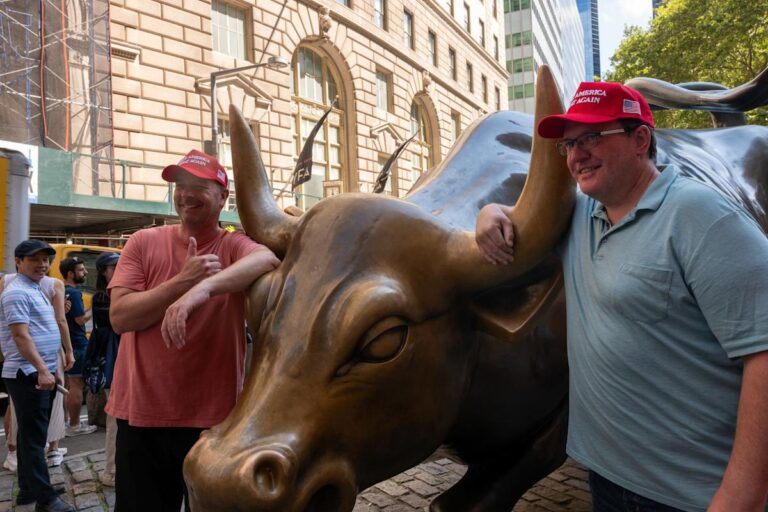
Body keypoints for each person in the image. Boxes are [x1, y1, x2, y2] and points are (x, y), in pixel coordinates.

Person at [475, 81, 768, 511]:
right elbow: (516, 218)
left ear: (640, 139)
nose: (576, 155)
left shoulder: (702, 216)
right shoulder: (578, 215)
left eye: (592, 137)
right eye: (569, 144)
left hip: (691, 495)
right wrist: (490, 213)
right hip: (608, 478)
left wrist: (740, 498)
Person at [106, 149, 279, 512]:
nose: (186, 194)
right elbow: (120, 318)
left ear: (222, 196)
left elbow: (266, 258)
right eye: (180, 185)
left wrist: (202, 290)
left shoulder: (231, 243)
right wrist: (183, 282)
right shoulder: (142, 241)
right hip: (141, 415)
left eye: (198, 186)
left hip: (212, 421)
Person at [0, 240, 75, 512]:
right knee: (34, 438)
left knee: (30, 436)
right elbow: (21, 336)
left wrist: (51, 366)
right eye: (34, 259)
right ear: (18, 262)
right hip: (28, 373)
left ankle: (29, 490)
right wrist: (43, 369)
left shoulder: (35, 287)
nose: (42, 264)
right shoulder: (17, 292)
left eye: (46, 259)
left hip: (38, 371)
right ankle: (46, 499)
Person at [86, 251, 120, 487]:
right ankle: (112, 471)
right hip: (114, 362)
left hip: (122, 360)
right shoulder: (102, 297)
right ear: (103, 272)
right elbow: (117, 325)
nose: (120, 269)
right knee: (116, 417)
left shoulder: (118, 293)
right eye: (114, 267)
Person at [59, 257, 96, 437]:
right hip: (77, 344)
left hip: (65, 344)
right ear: (70, 274)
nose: (85, 272)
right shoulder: (73, 293)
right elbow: (80, 320)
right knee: (76, 385)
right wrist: (94, 309)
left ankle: (66, 422)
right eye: (81, 270)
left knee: (66, 385)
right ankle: (74, 426)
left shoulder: (62, 291)